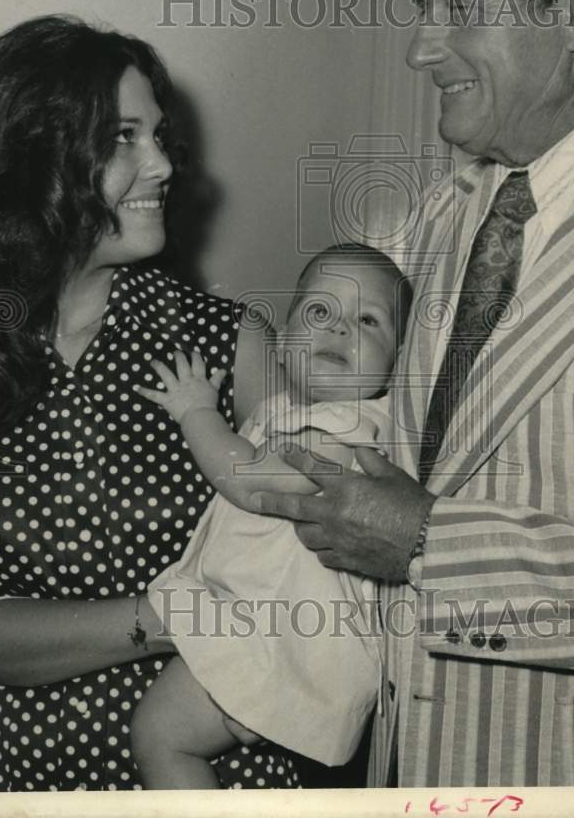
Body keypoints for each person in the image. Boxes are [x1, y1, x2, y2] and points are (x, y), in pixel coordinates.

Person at [253, 0, 574, 787]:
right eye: (420, 7)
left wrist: (433, 546)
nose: (419, 48)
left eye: (457, 7)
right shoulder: (446, 211)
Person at [0, 14, 305, 791]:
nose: (163, 164)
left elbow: (302, 577)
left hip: (222, 777)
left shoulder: (233, 344)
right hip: (29, 785)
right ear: (32, 161)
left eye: (158, 135)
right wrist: (171, 617)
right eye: (123, 137)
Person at [126, 243, 412, 788]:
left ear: (396, 363)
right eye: (320, 310)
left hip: (291, 645)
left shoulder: (353, 428)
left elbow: (252, 483)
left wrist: (197, 413)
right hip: (265, 628)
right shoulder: (280, 413)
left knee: (159, 734)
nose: (340, 327)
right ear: (280, 346)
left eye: (368, 320)